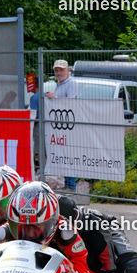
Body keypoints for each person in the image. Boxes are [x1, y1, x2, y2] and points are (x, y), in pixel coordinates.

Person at [0, 168, 137, 273]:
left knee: (132, 269)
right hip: (58, 247)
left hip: (93, 235)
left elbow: (80, 268)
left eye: (0, 207)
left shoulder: (58, 210)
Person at [46, 60, 79, 191]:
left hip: (69, 126)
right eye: (56, 70)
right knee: (65, 154)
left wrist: (54, 98)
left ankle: (71, 186)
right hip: (62, 126)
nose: (58, 73)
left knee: (69, 153)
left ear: (68, 70)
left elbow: (71, 103)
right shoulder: (60, 84)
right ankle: (68, 184)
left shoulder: (71, 83)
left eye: (61, 70)